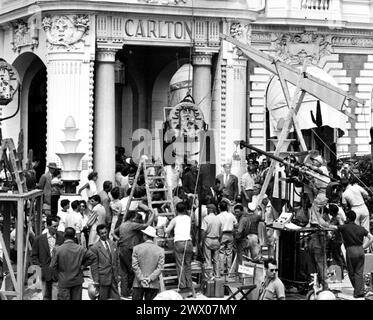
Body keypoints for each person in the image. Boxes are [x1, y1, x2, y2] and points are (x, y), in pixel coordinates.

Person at [316, 210, 373, 298]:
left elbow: (333, 227)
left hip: (351, 250)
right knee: (359, 272)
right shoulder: (361, 228)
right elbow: (371, 237)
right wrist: (364, 246)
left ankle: (358, 291)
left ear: (348, 218)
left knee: (351, 272)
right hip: (360, 250)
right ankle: (360, 291)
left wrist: (322, 222)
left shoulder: (344, 227)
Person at [115, 207, 155, 298]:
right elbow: (147, 225)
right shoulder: (132, 225)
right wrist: (152, 214)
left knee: (124, 272)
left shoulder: (123, 225)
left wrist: (120, 240)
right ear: (132, 218)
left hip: (121, 249)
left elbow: (114, 233)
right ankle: (131, 290)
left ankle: (124, 292)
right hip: (128, 249)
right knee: (132, 270)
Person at [50, 227, 96, 300]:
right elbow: (93, 256)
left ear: (64, 235)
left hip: (64, 281)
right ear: (74, 236)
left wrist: (56, 277)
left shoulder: (58, 249)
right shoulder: (80, 248)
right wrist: (83, 266)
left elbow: (52, 266)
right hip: (77, 281)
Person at [31, 216, 64, 300]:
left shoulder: (61, 238)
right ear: (48, 226)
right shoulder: (39, 239)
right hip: (44, 272)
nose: (56, 228)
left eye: (57, 226)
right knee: (45, 296)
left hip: (57, 272)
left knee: (56, 296)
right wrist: (40, 266)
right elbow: (34, 256)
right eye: (54, 226)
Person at [164, 202, 193, 293]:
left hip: (179, 242)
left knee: (180, 264)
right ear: (185, 210)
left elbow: (167, 231)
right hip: (188, 242)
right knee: (188, 264)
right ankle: (189, 284)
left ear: (176, 210)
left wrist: (164, 225)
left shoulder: (175, 219)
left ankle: (182, 285)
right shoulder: (188, 218)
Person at [132, 226, 165, 300]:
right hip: (153, 284)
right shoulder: (160, 250)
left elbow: (134, 266)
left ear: (144, 236)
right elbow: (160, 267)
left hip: (138, 283)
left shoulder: (136, 248)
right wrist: (150, 279)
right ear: (153, 238)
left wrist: (141, 278)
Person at [90, 224, 120, 300]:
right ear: (98, 234)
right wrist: (96, 280)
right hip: (103, 279)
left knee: (116, 298)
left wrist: (119, 274)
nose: (104, 235)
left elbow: (117, 260)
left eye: (105, 232)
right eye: (102, 233)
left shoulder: (113, 244)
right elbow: (94, 266)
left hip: (114, 277)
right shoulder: (95, 248)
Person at [201, 204, 222, 277]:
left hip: (208, 239)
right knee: (216, 259)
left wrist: (201, 241)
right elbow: (221, 231)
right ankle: (217, 275)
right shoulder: (218, 219)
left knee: (208, 259)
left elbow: (203, 231)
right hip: (216, 240)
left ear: (210, 210)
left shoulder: (206, 219)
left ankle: (210, 276)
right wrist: (219, 240)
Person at [217, 201, 237, 274]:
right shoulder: (231, 215)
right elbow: (236, 224)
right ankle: (229, 270)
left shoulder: (218, 216)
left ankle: (221, 270)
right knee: (229, 252)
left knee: (221, 252)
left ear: (219, 208)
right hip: (230, 234)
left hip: (222, 234)